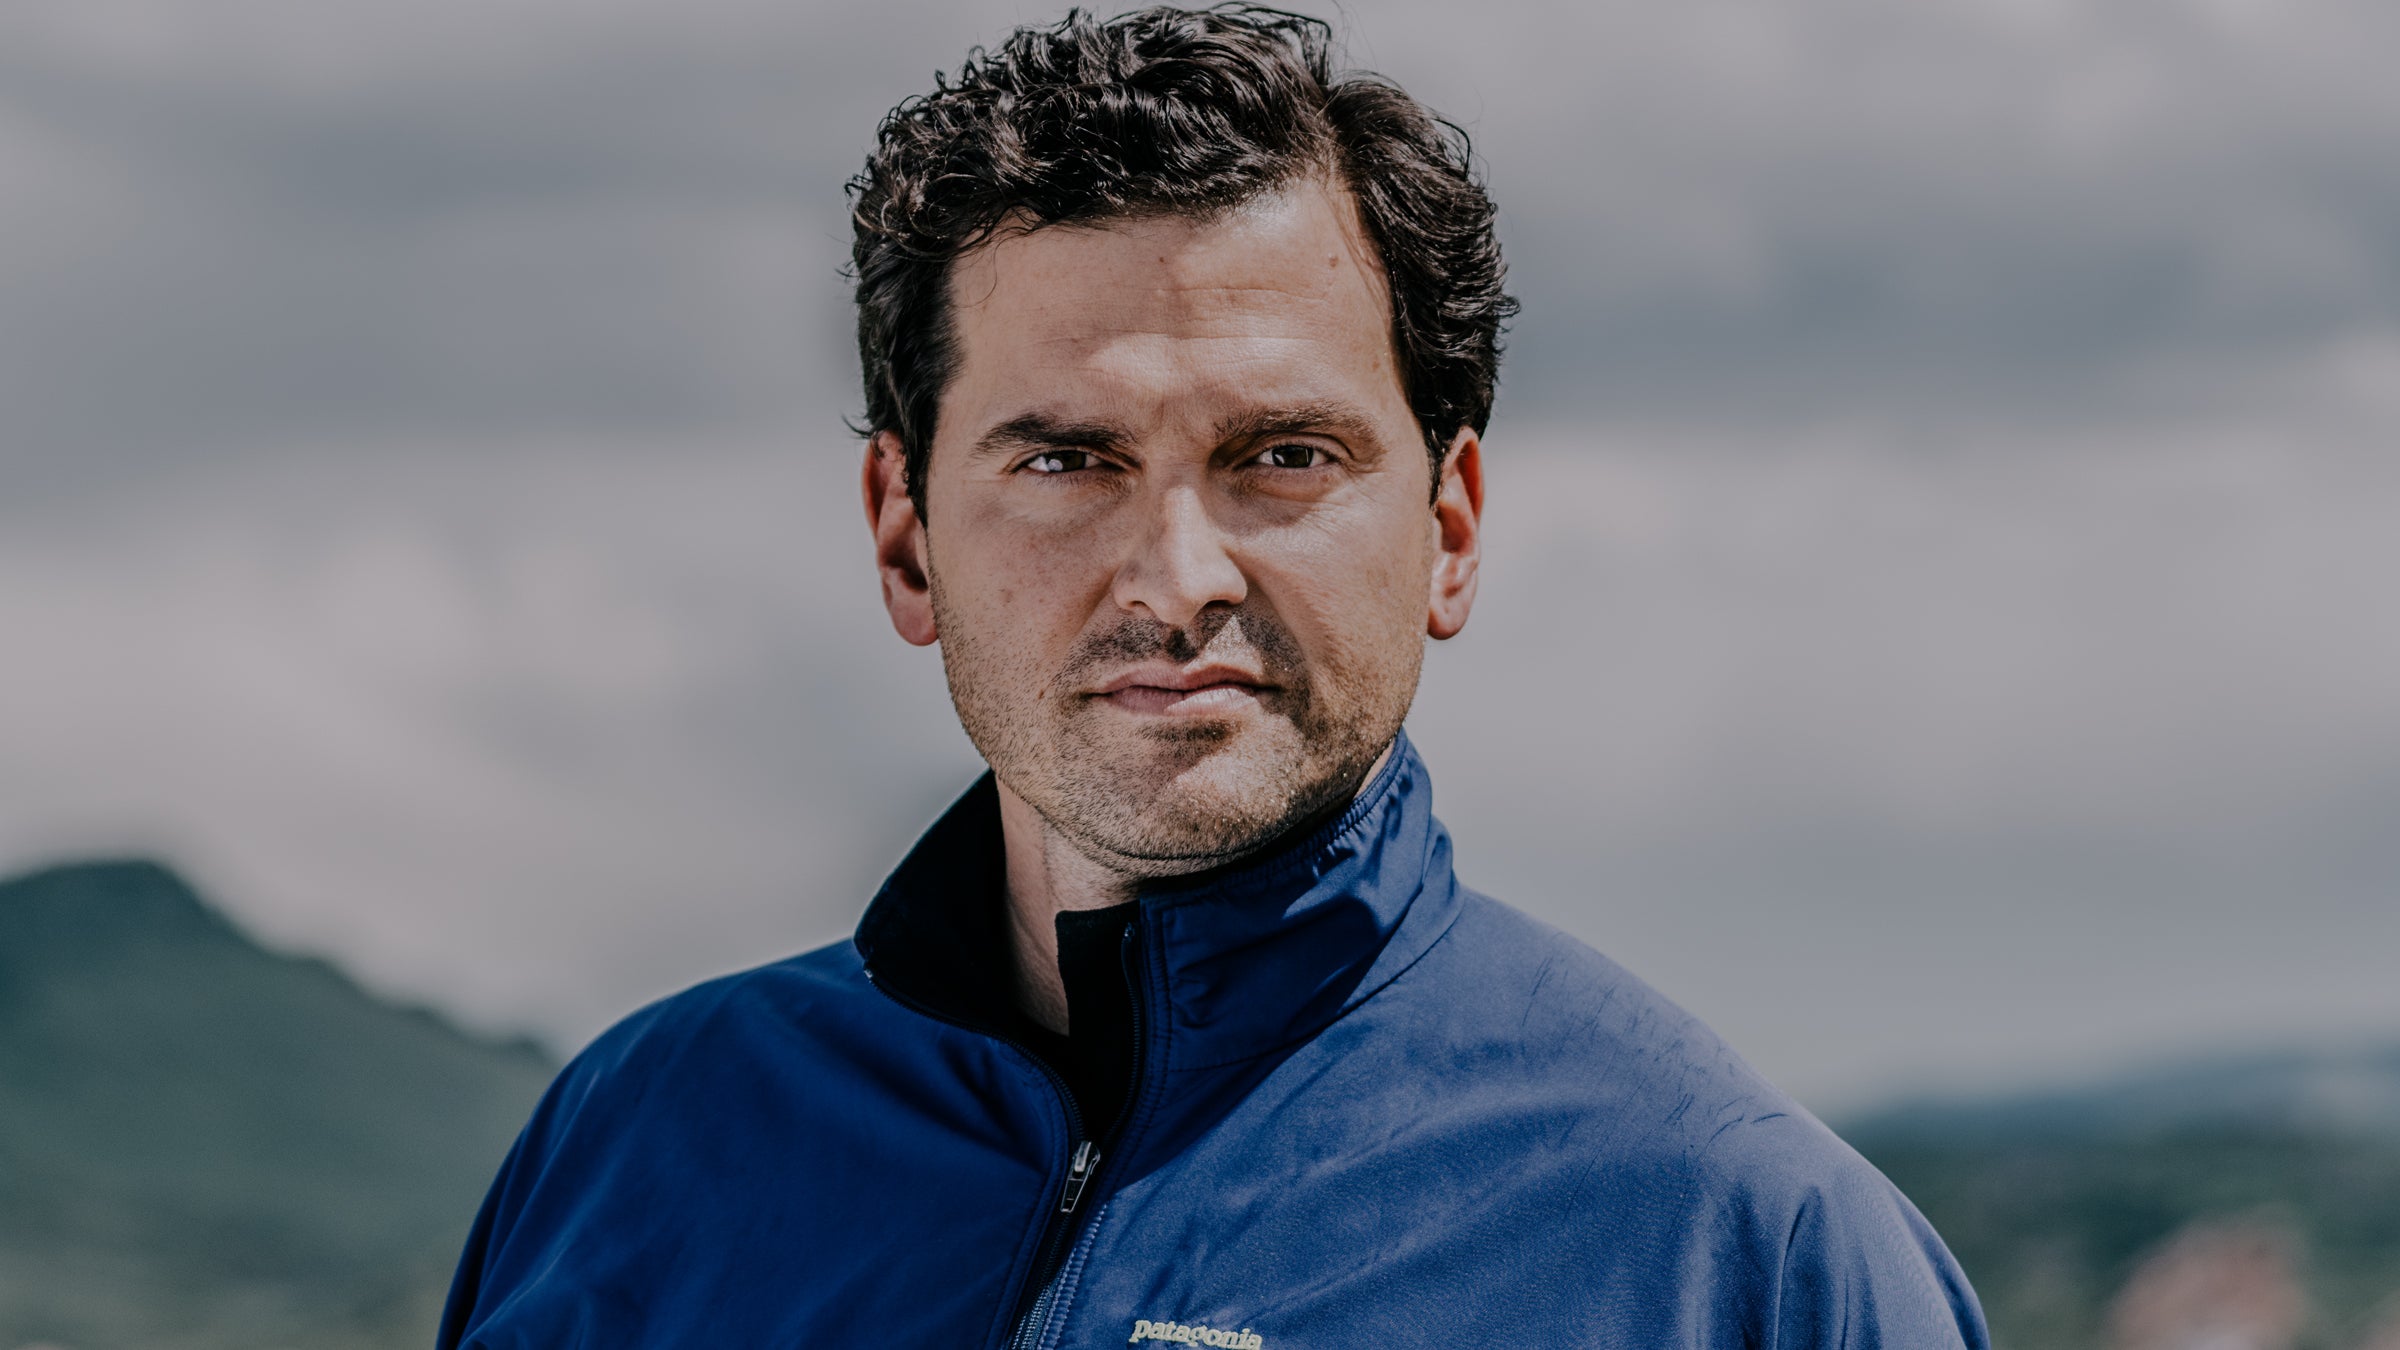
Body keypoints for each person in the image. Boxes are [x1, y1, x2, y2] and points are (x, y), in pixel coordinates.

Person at [437, 7, 1990, 1347]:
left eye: (1283, 457)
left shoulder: (1747, 1254)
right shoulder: (635, 1149)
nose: (1180, 576)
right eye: (1065, 458)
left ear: (1448, 528)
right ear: (906, 539)